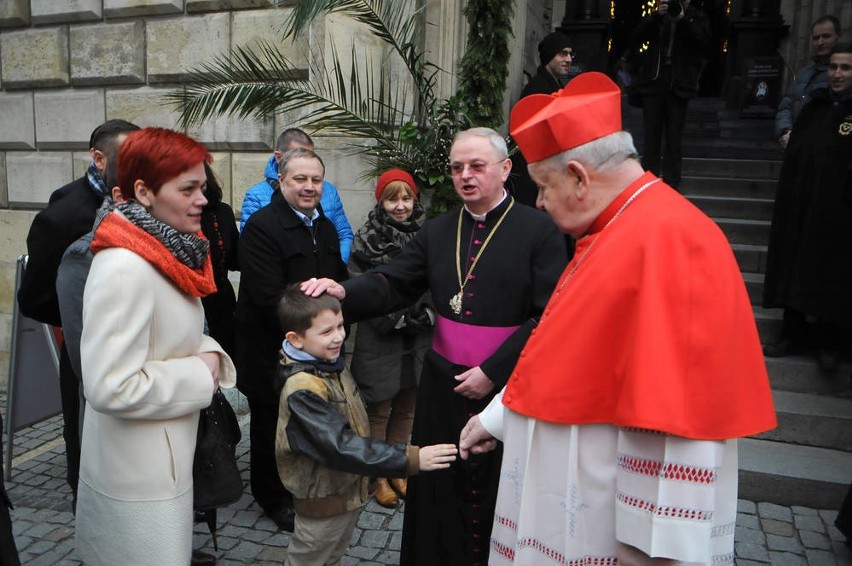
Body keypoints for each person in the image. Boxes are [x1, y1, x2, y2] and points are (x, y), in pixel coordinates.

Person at [457, 71, 776, 565]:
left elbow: (675, 415)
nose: (538, 202)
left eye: (542, 186)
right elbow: (567, 345)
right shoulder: (617, 229)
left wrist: (653, 547)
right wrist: (499, 418)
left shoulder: (673, 242)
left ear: (580, 177)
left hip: (609, 537)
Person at [302, 127, 567, 565]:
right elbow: (393, 282)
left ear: (504, 169)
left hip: (507, 388)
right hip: (442, 384)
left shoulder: (539, 230)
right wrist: (345, 292)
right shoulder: (440, 230)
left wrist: (494, 373)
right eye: (457, 167)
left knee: (497, 490)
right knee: (439, 488)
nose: (465, 175)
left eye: (477, 166)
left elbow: (549, 315)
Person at [74, 127, 237, 565]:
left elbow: (165, 336)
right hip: (137, 476)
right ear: (143, 192)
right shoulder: (126, 265)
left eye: (202, 186)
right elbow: (109, 386)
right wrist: (201, 373)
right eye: (187, 189)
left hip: (158, 460)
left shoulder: (165, 249)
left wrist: (207, 353)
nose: (203, 199)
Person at [273, 287, 456, 566]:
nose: (338, 337)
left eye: (340, 326)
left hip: (345, 492)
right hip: (323, 501)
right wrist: (411, 458)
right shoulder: (303, 388)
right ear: (295, 340)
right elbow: (340, 446)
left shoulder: (329, 363)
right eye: (326, 332)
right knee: (310, 559)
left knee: (331, 556)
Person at [17, 119, 140, 508]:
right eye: (129, 156)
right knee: (87, 441)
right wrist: (82, 321)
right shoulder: (65, 214)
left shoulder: (144, 202)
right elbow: (34, 298)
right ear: (98, 158)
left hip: (138, 353)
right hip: (87, 353)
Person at [236, 147, 348, 532]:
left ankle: (305, 486)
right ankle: (272, 497)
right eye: (300, 179)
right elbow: (270, 297)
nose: (309, 187)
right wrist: (317, 329)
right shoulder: (261, 227)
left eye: (316, 180)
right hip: (271, 351)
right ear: (281, 181)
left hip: (316, 351)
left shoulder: (327, 227)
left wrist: (328, 333)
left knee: (309, 420)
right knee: (272, 427)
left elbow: (338, 282)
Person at [762, 44, 852, 373]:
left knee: (833, 273)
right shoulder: (815, 106)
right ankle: (793, 331)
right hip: (803, 202)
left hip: (839, 209)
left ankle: (830, 342)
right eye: (833, 68)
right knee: (794, 263)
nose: (838, 74)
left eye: (845, 68)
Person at [348, 169, 433, 508]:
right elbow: (360, 284)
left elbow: (438, 278)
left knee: (407, 407)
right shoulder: (366, 237)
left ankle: (399, 469)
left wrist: (424, 314)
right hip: (381, 334)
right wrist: (395, 318)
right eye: (392, 199)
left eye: (406, 198)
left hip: (418, 333)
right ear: (380, 201)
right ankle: (378, 476)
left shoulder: (428, 235)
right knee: (380, 408)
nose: (400, 206)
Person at [627, 0, 710, 189]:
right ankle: (649, 182)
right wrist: (655, 16)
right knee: (651, 137)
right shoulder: (658, 15)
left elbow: (703, 44)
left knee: (674, 137)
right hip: (654, 82)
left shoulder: (697, 17)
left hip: (679, 84)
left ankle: (672, 184)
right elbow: (635, 37)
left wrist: (682, 20)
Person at [240, 128, 354, 262]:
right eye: (298, 155)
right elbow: (252, 248)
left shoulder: (328, 190)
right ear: (278, 157)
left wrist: (336, 267)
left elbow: (344, 235)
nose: (309, 188)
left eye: (309, 155)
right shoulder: (256, 196)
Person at [510, 32, 578, 212]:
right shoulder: (537, 90)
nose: (569, 59)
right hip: (534, 180)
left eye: (571, 54)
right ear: (549, 56)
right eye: (562, 54)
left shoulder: (554, 86)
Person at [775, 16, 841, 150]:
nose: (820, 42)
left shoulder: (842, 75)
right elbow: (786, 107)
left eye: (826, 36)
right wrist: (786, 131)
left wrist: (801, 136)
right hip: (795, 150)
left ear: (839, 36)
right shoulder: (804, 73)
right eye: (816, 38)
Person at [200, 163, 240, 358]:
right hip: (194, 305)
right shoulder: (172, 216)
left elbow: (236, 259)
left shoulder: (222, 212)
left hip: (223, 304)